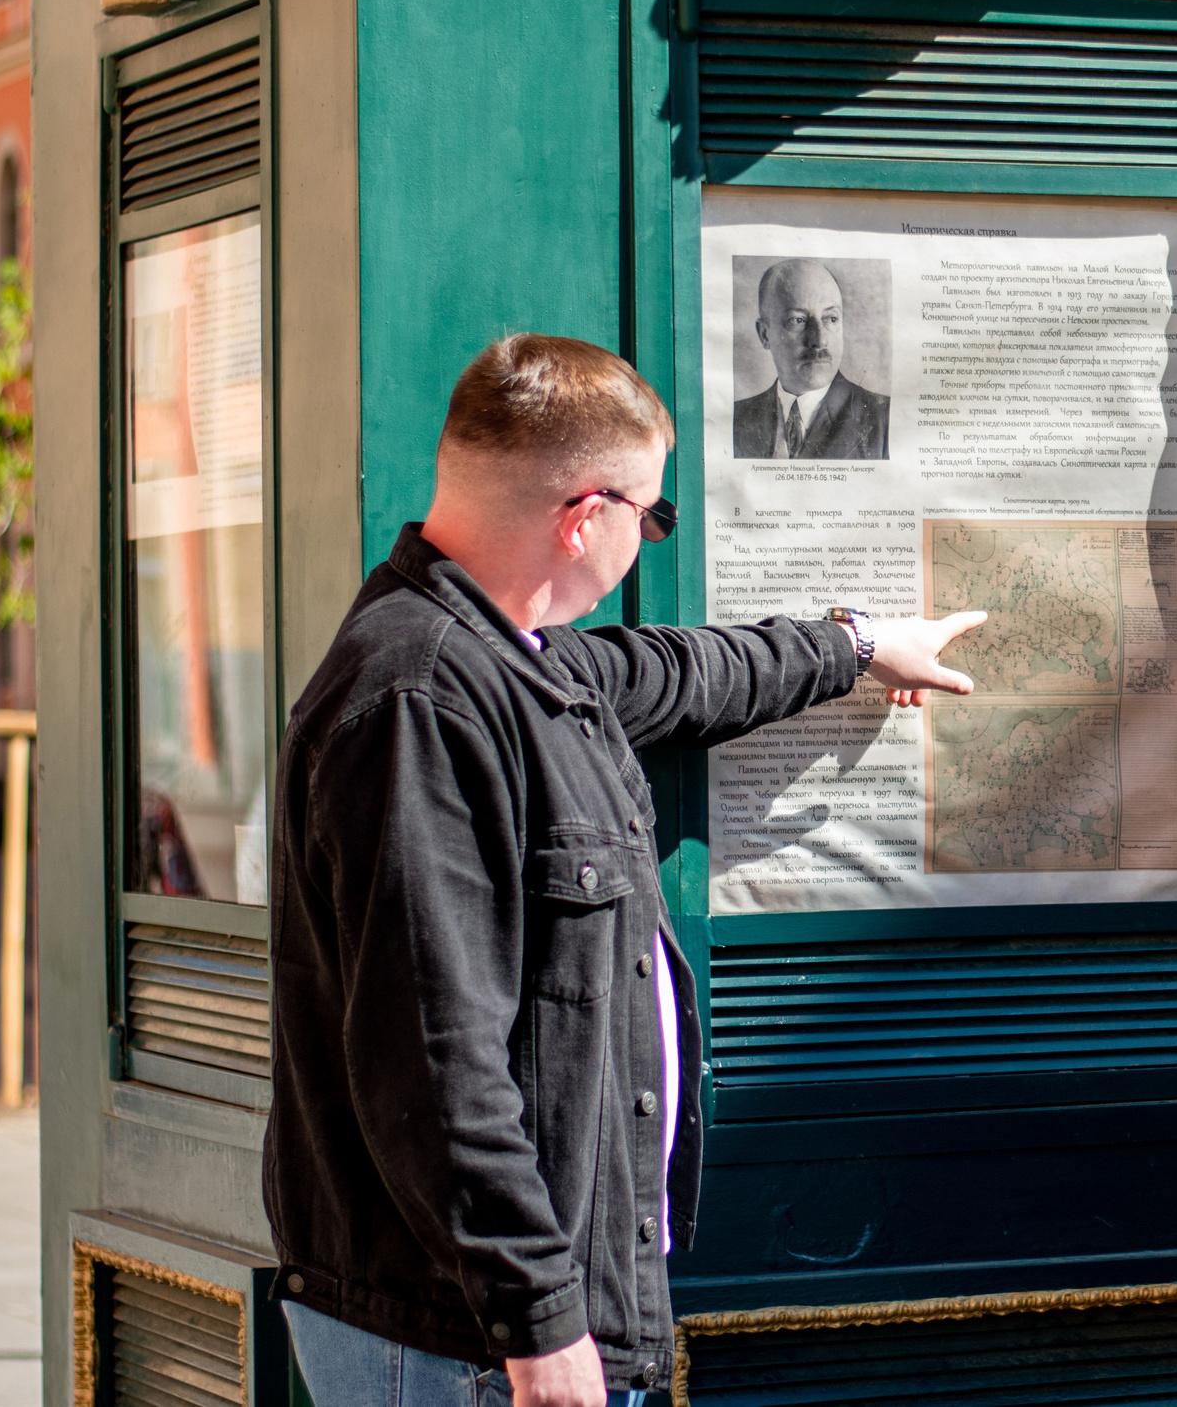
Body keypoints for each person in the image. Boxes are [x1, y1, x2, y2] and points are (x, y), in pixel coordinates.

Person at [264, 334, 982, 1407]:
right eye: (652, 514)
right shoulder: (419, 701)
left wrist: (859, 645)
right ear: (582, 517)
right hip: (466, 1344)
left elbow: (681, 670)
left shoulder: (520, 662)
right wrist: (541, 1323)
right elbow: (433, 1057)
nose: (650, 537)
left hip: (500, 1328)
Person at [732, 259, 890, 460]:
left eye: (831, 319)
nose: (820, 340)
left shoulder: (884, 419)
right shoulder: (735, 420)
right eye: (798, 320)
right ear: (764, 334)